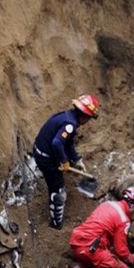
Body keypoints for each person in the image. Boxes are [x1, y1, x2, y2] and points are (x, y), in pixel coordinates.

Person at [33, 94, 100, 230]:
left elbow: (67, 143)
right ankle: (55, 224)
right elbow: (57, 143)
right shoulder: (70, 124)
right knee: (58, 191)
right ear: (86, 116)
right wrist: (64, 161)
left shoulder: (68, 116)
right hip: (45, 157)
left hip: (42, 150)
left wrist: (76, 159)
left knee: (57, 183)